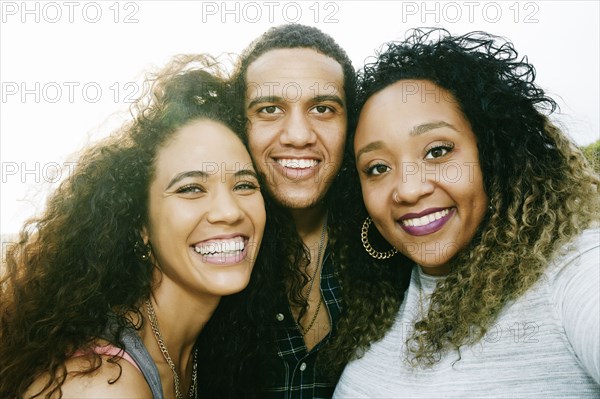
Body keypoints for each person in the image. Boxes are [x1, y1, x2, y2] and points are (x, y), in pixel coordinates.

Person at [334, 28, 600, 397]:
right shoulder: (377, 299)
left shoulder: (573, 272)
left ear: (492, 154)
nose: (409, 189)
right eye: (378, 167)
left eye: (438, 150)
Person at [0, 54, 272, 398]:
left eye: (245, 185)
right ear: (141, 224)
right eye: (191, 188)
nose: (229, 211)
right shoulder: (100, 386)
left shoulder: (208, 349)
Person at [195, 24, 409, 399]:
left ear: (351, 126)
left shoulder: (397, 237)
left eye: (323, 108)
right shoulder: (205, 242)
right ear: (238, 123)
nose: (298, 134)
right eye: (270, 109)